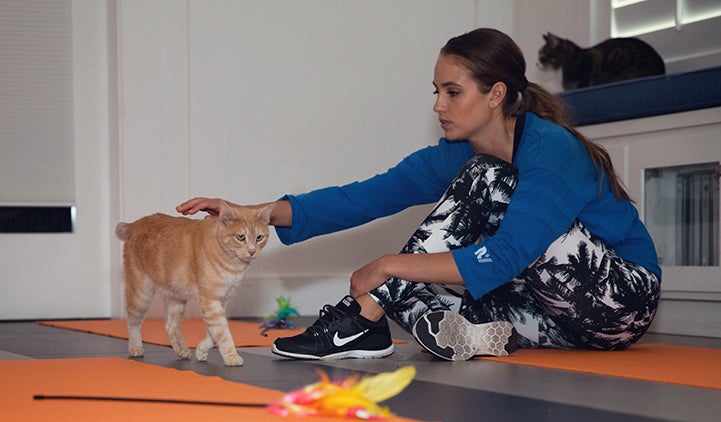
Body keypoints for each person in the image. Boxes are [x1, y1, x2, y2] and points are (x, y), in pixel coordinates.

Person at [177, 28, 661, 362]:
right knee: (422, 293)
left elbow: (507, 256)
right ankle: (475, 337)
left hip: (620, 303)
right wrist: (242, 213)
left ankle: (363, 323)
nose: (438, 105)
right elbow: (361, 198)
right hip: (553, 321)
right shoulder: (457, 152)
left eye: (452, 92)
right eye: (436, 92)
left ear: (495, 94)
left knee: (482, 185)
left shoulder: (549, 149)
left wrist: (387, 265)